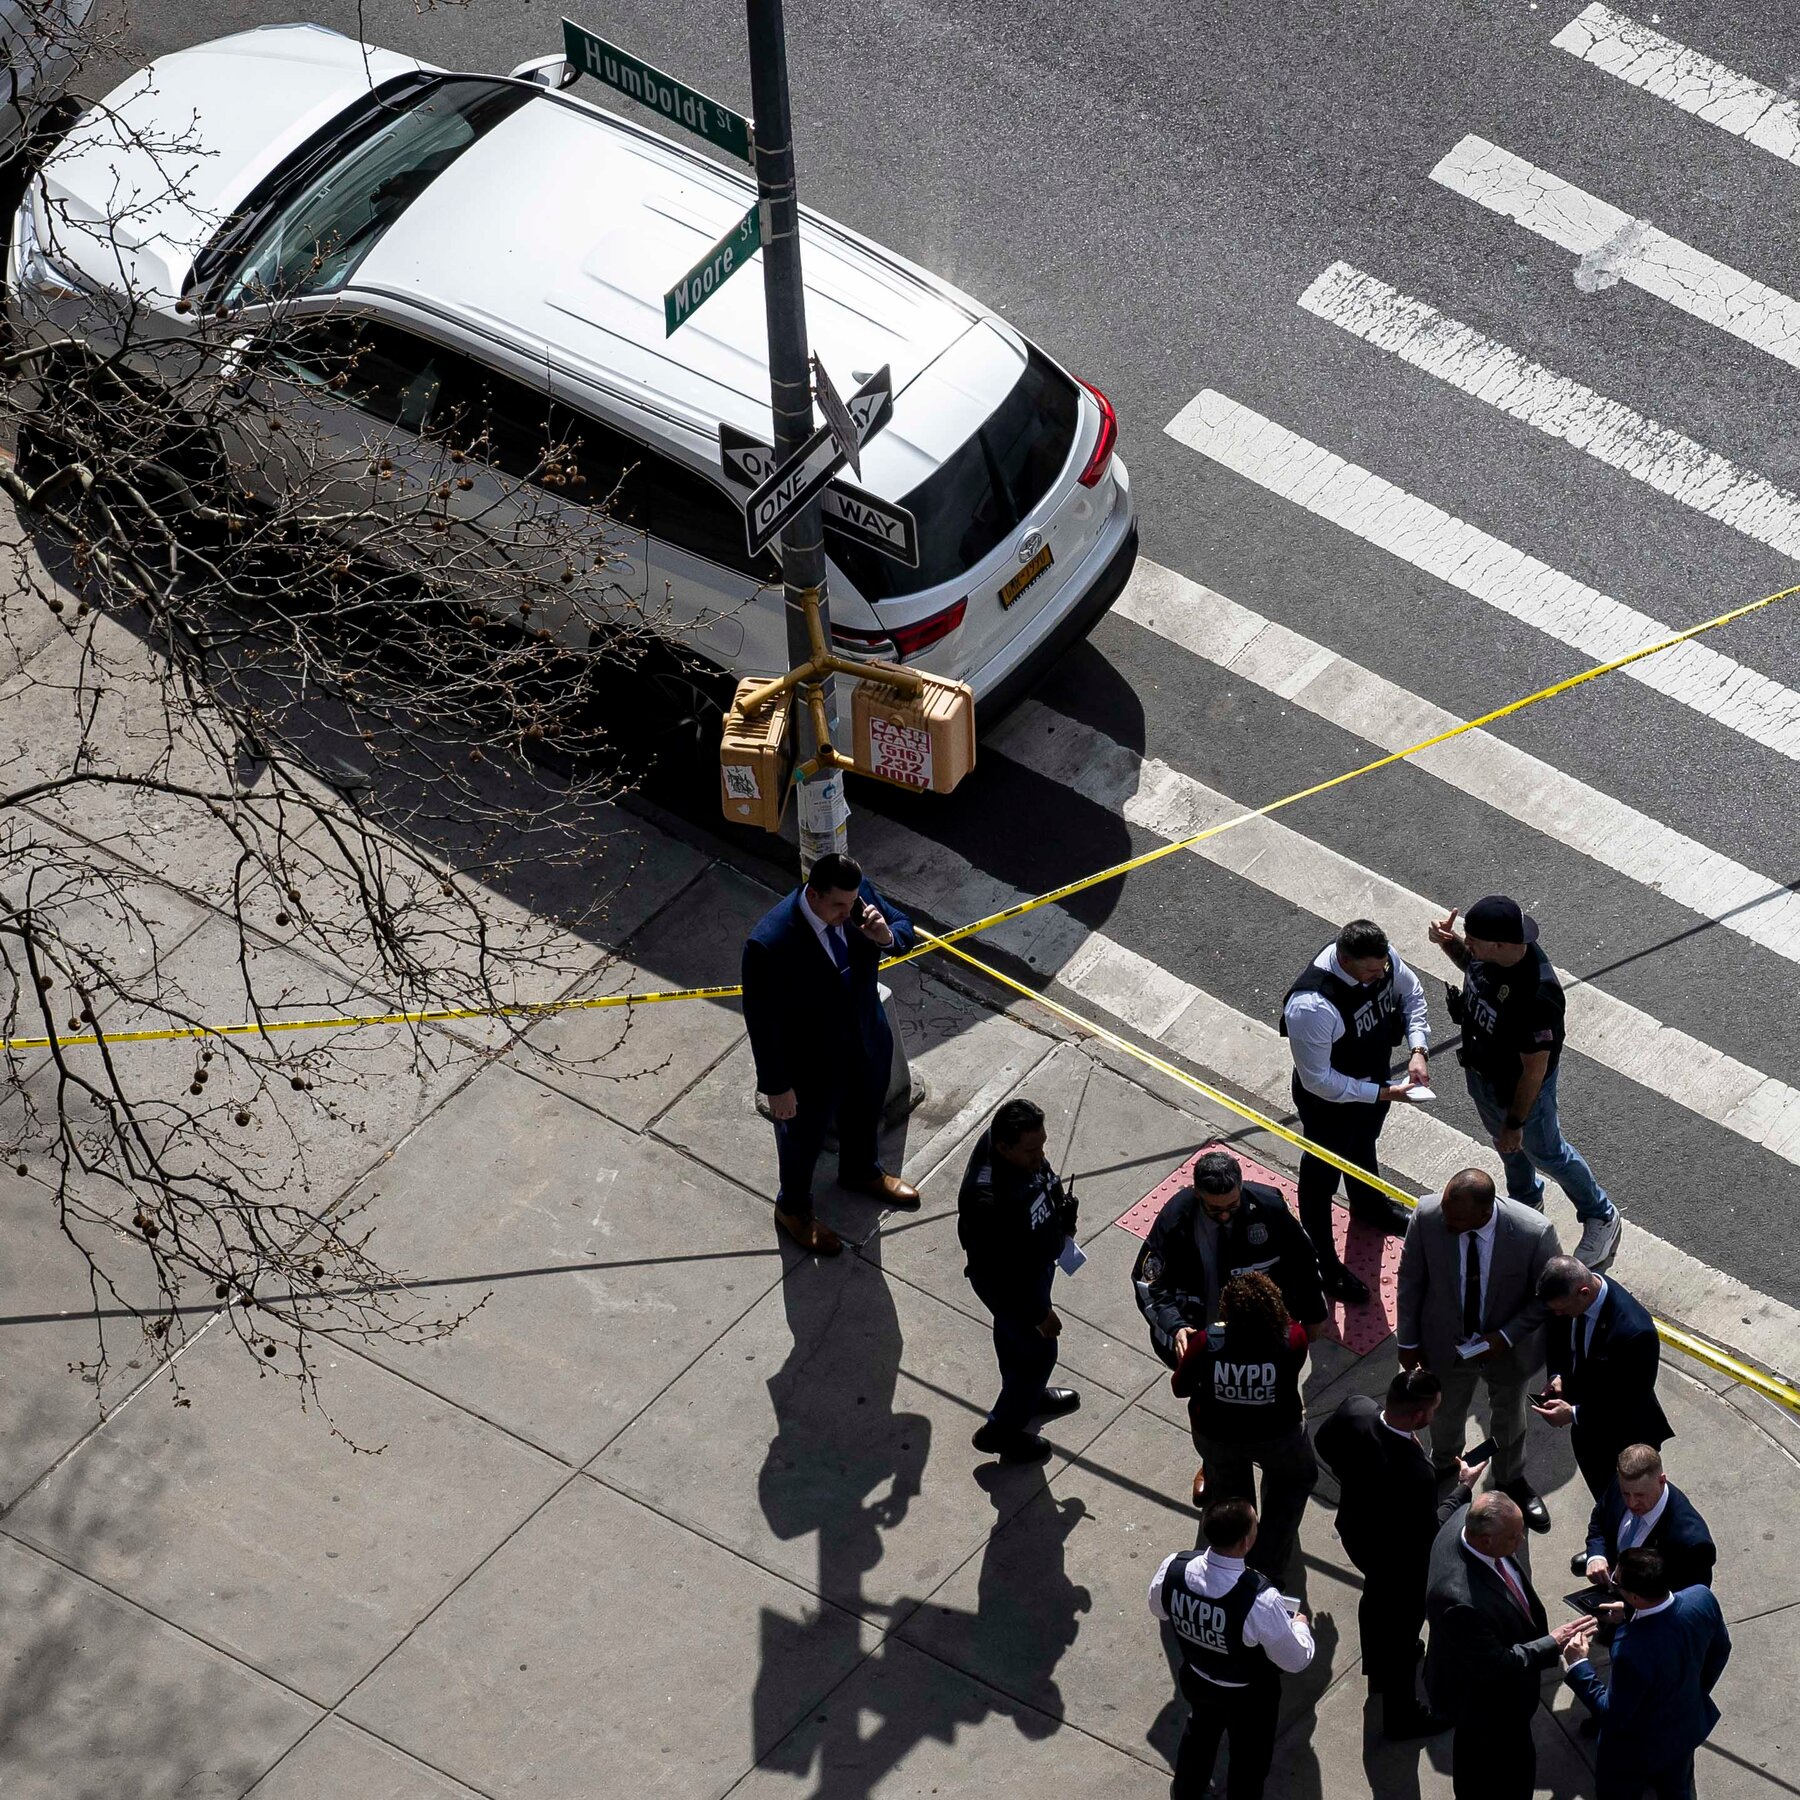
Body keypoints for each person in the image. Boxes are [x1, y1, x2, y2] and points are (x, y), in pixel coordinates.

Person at [1428, 895, 1621, 1270]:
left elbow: (1534, 1070)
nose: (1469, 943)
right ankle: (1526, 1202)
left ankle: (1601, 1215)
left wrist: (1516, 1121)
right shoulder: (1493, 958)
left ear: (1500, 944)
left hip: (1521, 1092)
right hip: (1482, 1073)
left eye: (1474, 938)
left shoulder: (1536, 995)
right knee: (1507, 1148)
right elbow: (1472, 969)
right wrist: (1449, 943)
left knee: (1546, 1152)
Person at [741, 853, 920, 1255]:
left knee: (864, 1111)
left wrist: (884, 937)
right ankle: (794, 1209)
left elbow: (906, 928)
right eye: (838, 905)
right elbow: (762, 1022)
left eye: (852, 901)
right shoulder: (770, 943)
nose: (848, 911)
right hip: (812, 1063)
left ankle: (861, 1172)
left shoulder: (858, 901)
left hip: (866, 1039)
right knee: (803, 1138)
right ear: (814, 894)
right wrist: (777, 1086)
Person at [1132, 1149, 1327, 1505]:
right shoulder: (1176, 1218)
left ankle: (1267, 1456)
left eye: (1232, 1206)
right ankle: (1216, 1463)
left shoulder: (1269, 1208)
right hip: (1203, 1337)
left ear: (1241, 1188)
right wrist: (1175, 1327)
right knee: (1210, 1406)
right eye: (1214, 1208)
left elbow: (1303, 1262)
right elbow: (1149, 1284)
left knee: (1269, 1394)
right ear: (1196, 1194)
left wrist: (1313, 1313)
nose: (1223, 1215)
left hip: (1264, 1333)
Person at [1316, 1369, 1488, 1738]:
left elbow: (1323, 1441)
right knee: (1398, 1626)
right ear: (1417, 1416)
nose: (1435, 1415)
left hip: (1358, 1535)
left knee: (1374, 1599)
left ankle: (1378, 1671)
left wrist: (1353, 1477)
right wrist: (1462, 1490)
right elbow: (1429, 1529)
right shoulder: (1414, 1474)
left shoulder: (1356, 1410)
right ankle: (1400, 1716)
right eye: (1434, 1409)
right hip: (1400, 1561)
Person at [1396, 1167, 1561, 1530]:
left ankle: (1509, 1480)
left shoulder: (1534, 1233)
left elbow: (1548, 1298)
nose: (1446, 1223)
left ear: (1484, 1213)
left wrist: (1504, 1336)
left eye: (1456, 1219)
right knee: (1445, 1413)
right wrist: (1407, 1343)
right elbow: (1410, 1279)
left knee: (1509, 1416)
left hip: (1507, 1349)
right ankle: (1445, 1471)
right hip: (1445, 1345)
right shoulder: (1428, 1216)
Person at [1280, 918, 1429, 1302]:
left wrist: (1417, 1049)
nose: (1381, 975)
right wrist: (1380, 1093)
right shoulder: (1312, 1006)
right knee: (1320, 1180)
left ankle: (1369, 1205)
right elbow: (1319, 1080)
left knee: (1364, 1144)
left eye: (1382, 967)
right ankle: (1323, 1263)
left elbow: (1411, 994)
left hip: (1374, 1082)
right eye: (1371, 971)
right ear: (1345, 960)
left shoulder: (1380, 959)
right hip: (1328, 1105)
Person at [1424, 1492, 1597, 1800]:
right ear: (1486, 1540)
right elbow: (1497, 1665)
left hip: (1484, 1674)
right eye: (1514, 1537)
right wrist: (1552, 1643)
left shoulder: (1466, 1518)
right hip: (1485, 1705)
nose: (1520, 1541)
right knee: (1497, 1773)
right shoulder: (1458, 1601)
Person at [1148, 1496, 1315, 1800]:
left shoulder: (1173, 1566)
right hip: (1249, 1698)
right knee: (1249, 1760)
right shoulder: (1261, 1600)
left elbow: (1158, 1608)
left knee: (1200, 1735)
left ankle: (1185, 1792)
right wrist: (1300, 1625)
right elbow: (1296, 1658)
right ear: (1245, 1542)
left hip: (1197, 1679)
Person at [957, 1097, 1081, 1464]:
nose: (1040, 1155)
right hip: (1013, 1285)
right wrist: (1039, 1312)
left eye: (1042, 1144)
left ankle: (1025, 1394)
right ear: (1003, 1147)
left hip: (1036, 1264)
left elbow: (1042, 1180)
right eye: (1031, 1150)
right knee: (1041, 1349)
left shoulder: (1018, 1152)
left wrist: (1061, 1216)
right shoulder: (988, 1201)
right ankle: (1003, 1430)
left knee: (1015, 1343)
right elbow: (1003, 1274)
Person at [1176, 1273, 1317, 1585]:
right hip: (1278, 1434)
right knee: (1292, 1484)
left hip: (1218, 1436)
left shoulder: (1206, 1342)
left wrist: (1186, 1354)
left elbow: (1180, 1387)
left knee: (1231, 1496)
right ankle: (1267, 1565)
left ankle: (1236, 1556)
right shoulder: (1292, 1339)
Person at [1561, 1546, 1732, 1800]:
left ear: (1636, 1597)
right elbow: (1721, 1649)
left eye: (1616, 1583)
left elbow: (1612, 1714)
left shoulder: (1631, 1650)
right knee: (1677, 1788)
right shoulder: (1701, 1597)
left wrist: (1578, 1665)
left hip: (1635, 1750)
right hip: (1685, 1727)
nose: (1613, 1584)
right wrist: (1693, 1691)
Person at [1533, 1258, 1672, 1500]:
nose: (1558, 1314)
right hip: (1587, 1435)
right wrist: (1558, 1375)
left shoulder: (1635, 1332)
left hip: (1623, 1439)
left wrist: (1573, 1414)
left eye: (1562, 1310)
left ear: (1584, 1293)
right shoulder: (1568, 1301)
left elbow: (1631, 1402)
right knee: (1605, 1502)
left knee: (1632, 1504)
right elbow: (1557, 1338)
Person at [1579, 1444, 1715, 1596]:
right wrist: (1597, 1556)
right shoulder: (1622, 1484)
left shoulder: (1692, 1543)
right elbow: (1599, 1520)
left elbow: (1688, 1602)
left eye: (1640, 1495)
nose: (1631, 1503)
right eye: (1626, 1494)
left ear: (1661, 1481)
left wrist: (1628, 1611)